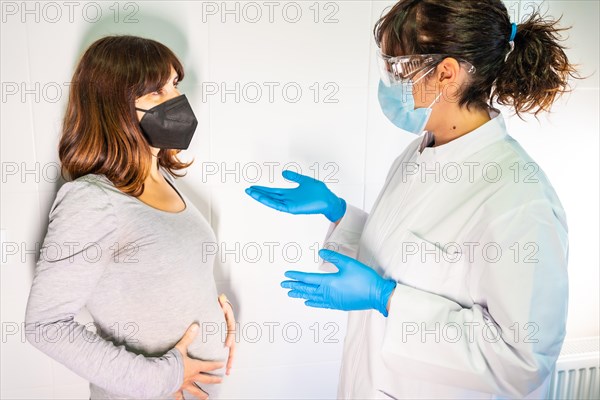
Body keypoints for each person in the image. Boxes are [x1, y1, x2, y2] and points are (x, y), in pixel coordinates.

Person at [245, 0, 580, 398]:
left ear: (446, 74)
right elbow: (401, 257)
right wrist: (338, 213)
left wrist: (387, 300)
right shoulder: (421, 152)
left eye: (398, 67)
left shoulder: (519, 200)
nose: (389, 81)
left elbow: (521, 362)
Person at [24, 35, 236, 400]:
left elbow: (162, 271)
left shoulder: (163, 177)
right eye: (156, 92)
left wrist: (217, 308)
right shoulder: (91, 200)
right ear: (112, 107)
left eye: (174, 84)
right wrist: (159, 377)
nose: (176, 101)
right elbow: (45, 325)